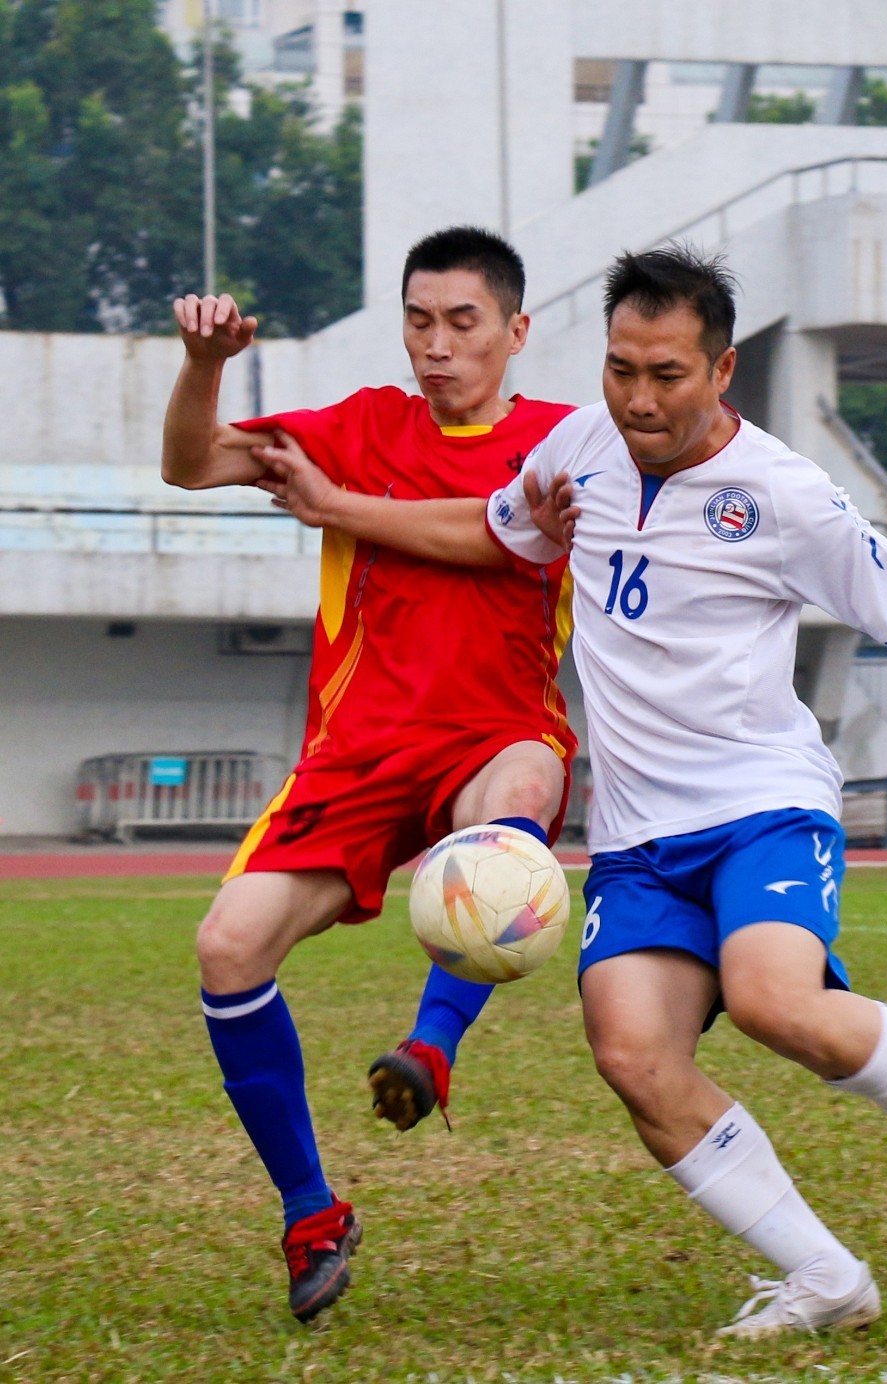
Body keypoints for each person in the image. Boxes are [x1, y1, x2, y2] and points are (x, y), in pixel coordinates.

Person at [255, 245, 887, 1338]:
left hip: (760, 804)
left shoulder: (784, 494)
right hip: (636, 837)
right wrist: (336, 508)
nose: (638, 397)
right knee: (633, 1057)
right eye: (621, 368)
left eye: (666, 374)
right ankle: (825, 1276)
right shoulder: (574, 448)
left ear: (721, 369)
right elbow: (487, 532)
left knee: (776, 1000)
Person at [161, 226, 579, 1322]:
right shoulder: (357, 426)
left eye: (462, 322)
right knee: (226, 944)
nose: (435, 346)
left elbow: (499, 539)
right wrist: (206, 363)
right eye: (418, 320)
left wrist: (334, 507)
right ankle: (311, 1213)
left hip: (494, 729)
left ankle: (430, 1049)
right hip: (353, 752)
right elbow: (191, 462)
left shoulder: (562, 443)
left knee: (519, 801)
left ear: (514, 331)